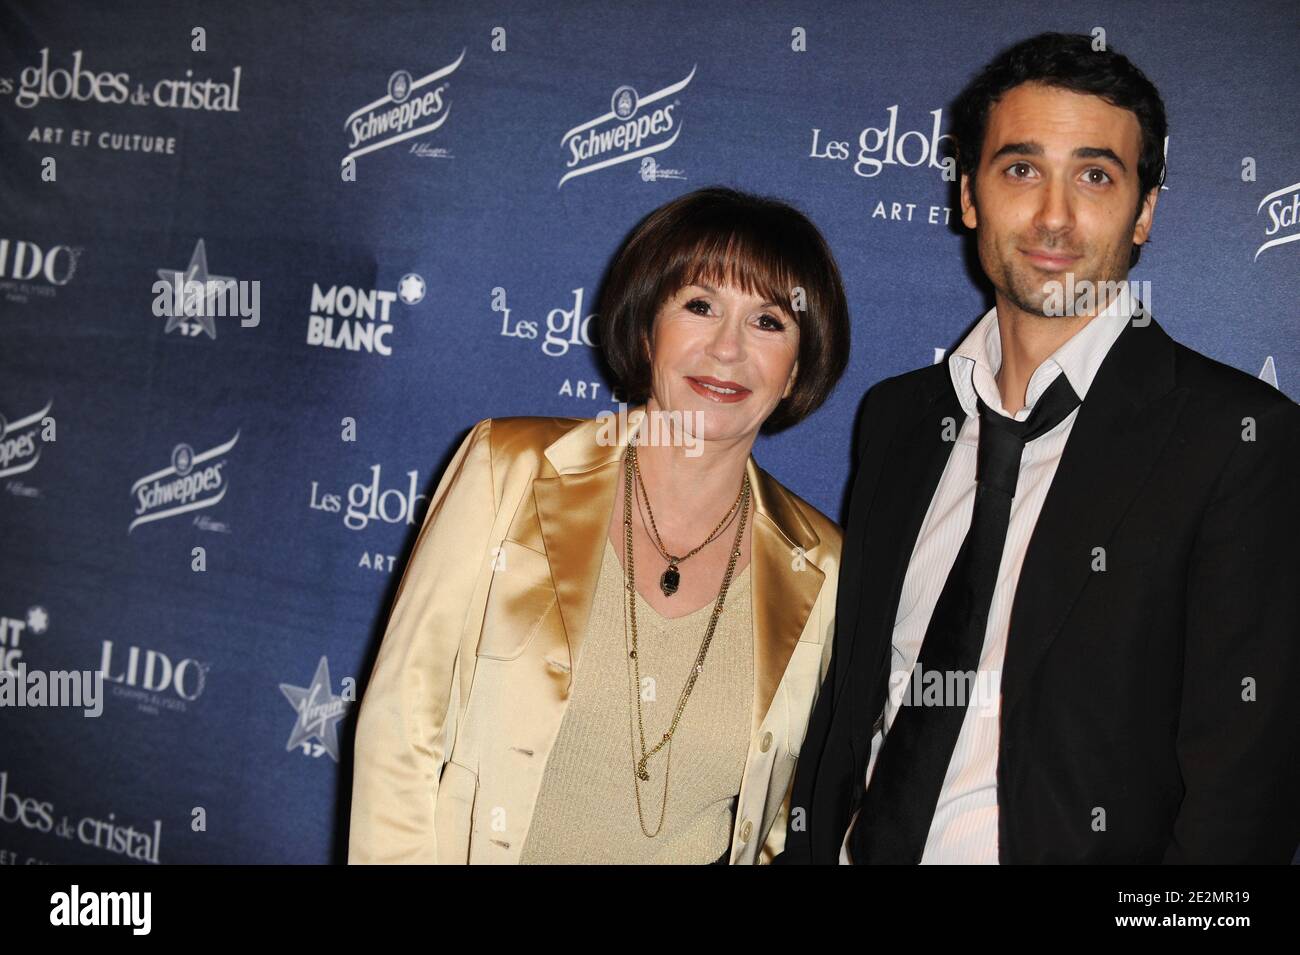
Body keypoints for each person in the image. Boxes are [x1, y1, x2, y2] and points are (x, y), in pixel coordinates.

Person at [780, 32, 1300, 864]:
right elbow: (850, 708)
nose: (1055, 215)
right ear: (969, 196)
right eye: (1021, 169)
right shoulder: (900, 420)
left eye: (1095, 175)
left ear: (1146, 210)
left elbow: (1242, 799)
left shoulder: (1236, 440)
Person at [349, 186, 851, 864]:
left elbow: (782, 821)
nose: (728, 349)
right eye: (700, 306)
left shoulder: (821, 565)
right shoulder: (510, 468)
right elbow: (400, 730)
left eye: (768, 322)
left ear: (796, 370)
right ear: (647, 331)